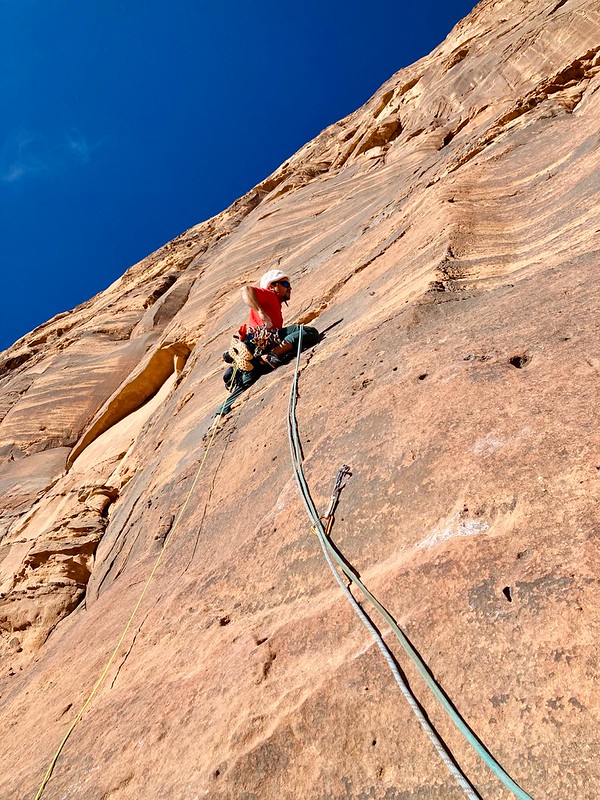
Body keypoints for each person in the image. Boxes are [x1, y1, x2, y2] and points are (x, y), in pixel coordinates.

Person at [215, 270, 319, 415]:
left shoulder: (275, 304)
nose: (289, 288)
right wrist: (261, 312)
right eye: (285, 284)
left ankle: (222, 409)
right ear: (272, 286)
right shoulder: (269, 295)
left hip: (256, 350)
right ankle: (271, 355)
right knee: (308, 331)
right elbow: (246, 290)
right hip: (263, 340)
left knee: (249, 378)